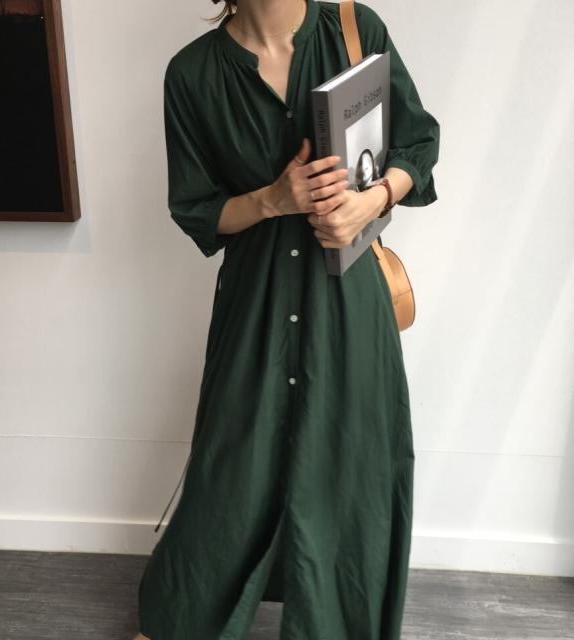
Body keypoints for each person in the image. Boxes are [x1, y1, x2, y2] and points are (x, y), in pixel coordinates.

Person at [135, 0, 440, 638]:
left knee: (351, 463)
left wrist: (371, 203)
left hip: (348, 297)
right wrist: (274, 199)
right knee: (234, 464)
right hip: (257, 300)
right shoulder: (192, 74)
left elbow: (416, 143)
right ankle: (186, 620)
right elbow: (197, 208)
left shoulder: (354, 29)